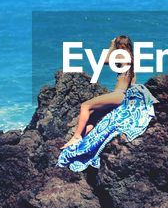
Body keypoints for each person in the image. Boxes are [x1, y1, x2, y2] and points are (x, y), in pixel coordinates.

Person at [57, 35, 158, 171]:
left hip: (118, 95)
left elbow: (102, 61)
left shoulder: (122, 56)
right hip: (121, 95)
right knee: (92, 117)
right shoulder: (131, 59)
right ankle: (82, 145)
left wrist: (111, 46)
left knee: (85, 106)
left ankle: (76, 138)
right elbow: (132, 82)